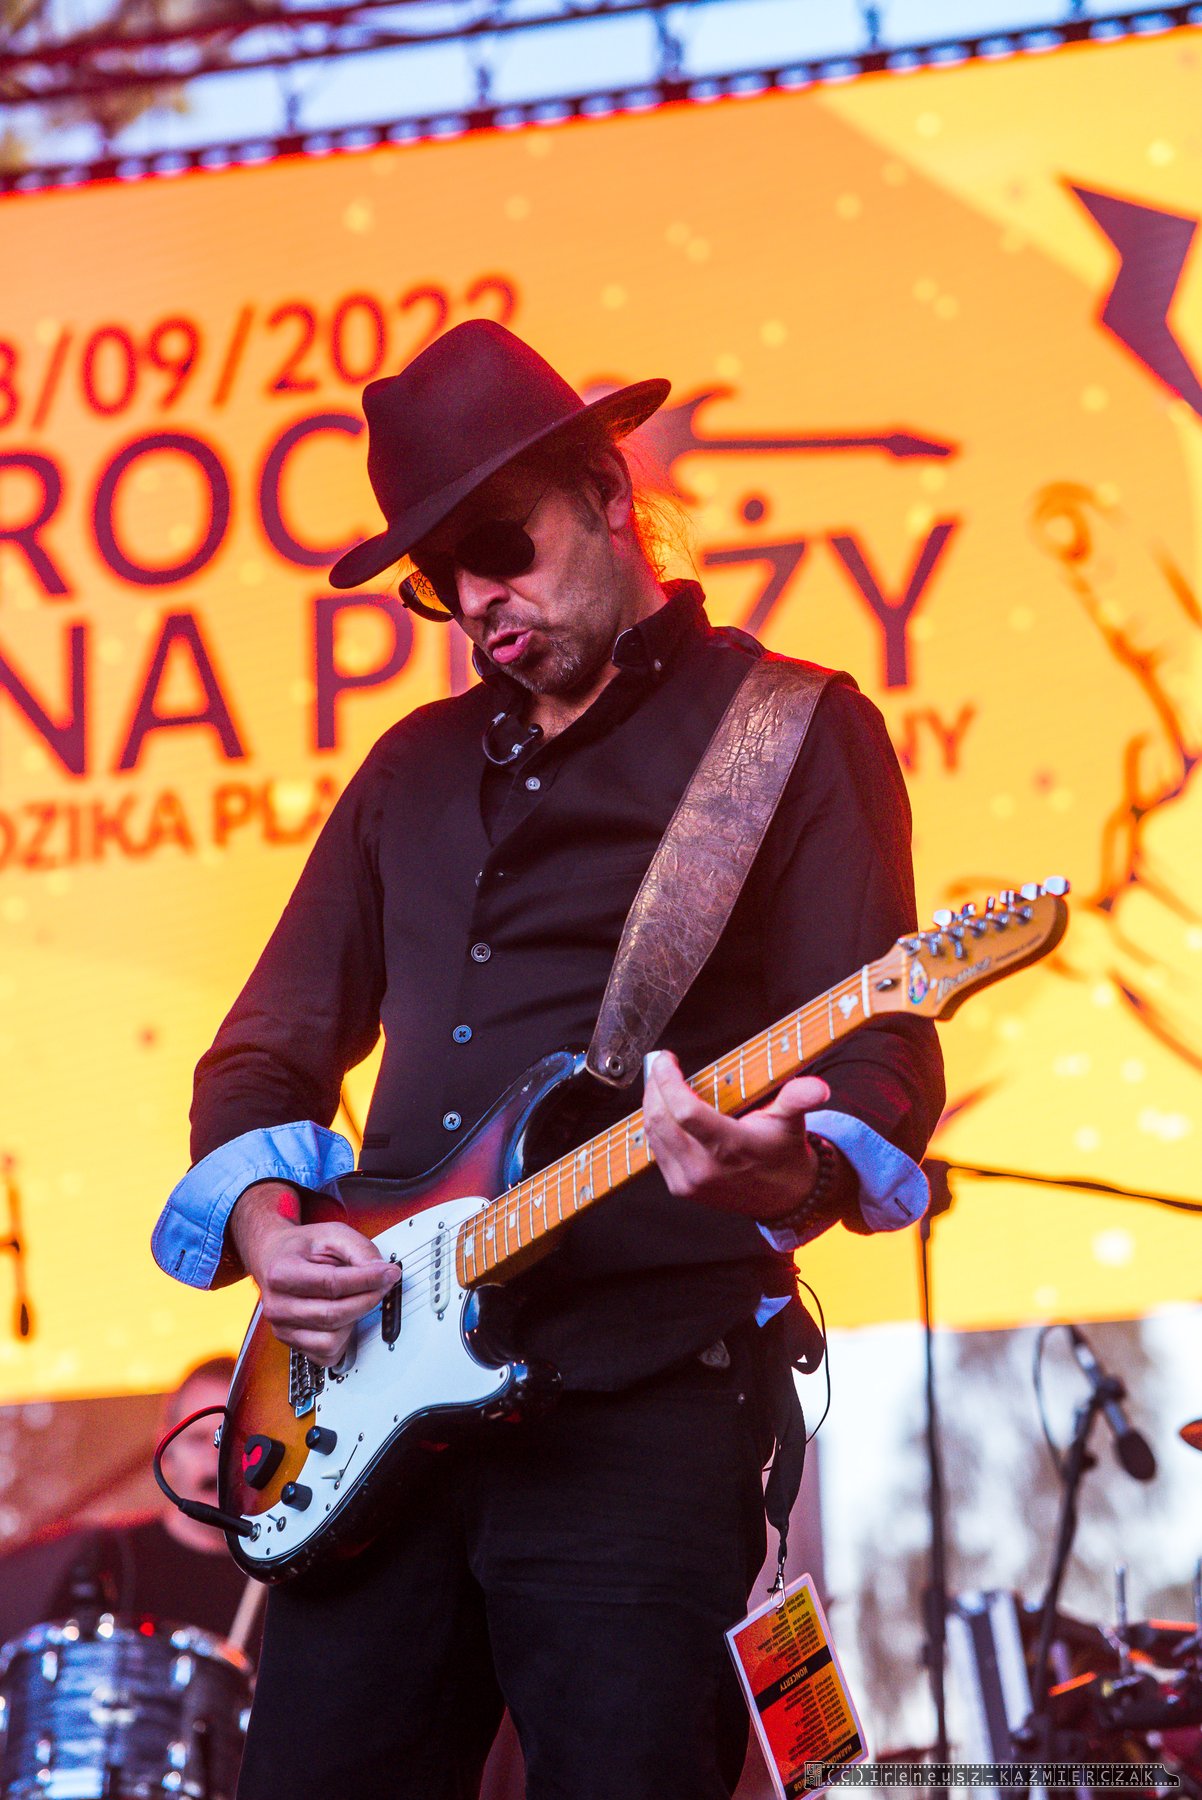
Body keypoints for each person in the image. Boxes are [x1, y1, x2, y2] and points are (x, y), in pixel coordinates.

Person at [152, 320, 945, 1800]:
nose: (475, 602)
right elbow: (260, 1055)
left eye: (499, 548)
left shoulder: (787, 730)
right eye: (438, 580)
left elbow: (882, 1043)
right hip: (370, 1421)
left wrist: (781, 1171)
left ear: (604, 492)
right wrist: (269, 1231)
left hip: (641, 1411)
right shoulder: (408, 769)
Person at [0, 1358, 257, 1650]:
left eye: (231, 1439)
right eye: (198, 1439)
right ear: (166, 1451)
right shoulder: (111, 1556)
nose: (216, 1459)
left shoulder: (276, 1573)